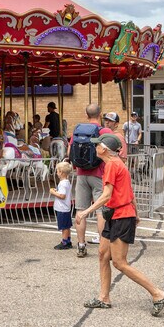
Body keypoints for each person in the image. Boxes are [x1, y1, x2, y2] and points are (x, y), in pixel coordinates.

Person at [75, 133, 164, 316]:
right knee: (103, 255)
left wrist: (86, 211)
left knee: (119, 262)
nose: (95, 148)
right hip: (117, 215)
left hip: (120, 216)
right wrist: (135, 211)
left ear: (105, 149)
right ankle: (104, 298)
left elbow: (107, 195)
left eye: (97, 145)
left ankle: (158, 294)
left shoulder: (111, 164)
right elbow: (128, 189)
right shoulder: (117, 164)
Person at [68, 103, 111, 256]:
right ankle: (103, 247)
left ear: (86, 115)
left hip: (81, 173)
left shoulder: (78, 131)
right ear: (100, 115)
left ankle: (80, 245)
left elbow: (70, 152)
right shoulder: (104, 131)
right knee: (101, 211)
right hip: (99, 175)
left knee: (81, 210)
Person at [50, 161, 73, 250]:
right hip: (65, 207)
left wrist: (53, 192)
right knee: (66, 225)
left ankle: (65, 241)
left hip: (62, 208)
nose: (57, 173)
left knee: (64, 226)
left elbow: (62, 196)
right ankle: (68, 240)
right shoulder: (66, 182)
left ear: (61, 172)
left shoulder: (63, 183)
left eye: (57, 171)